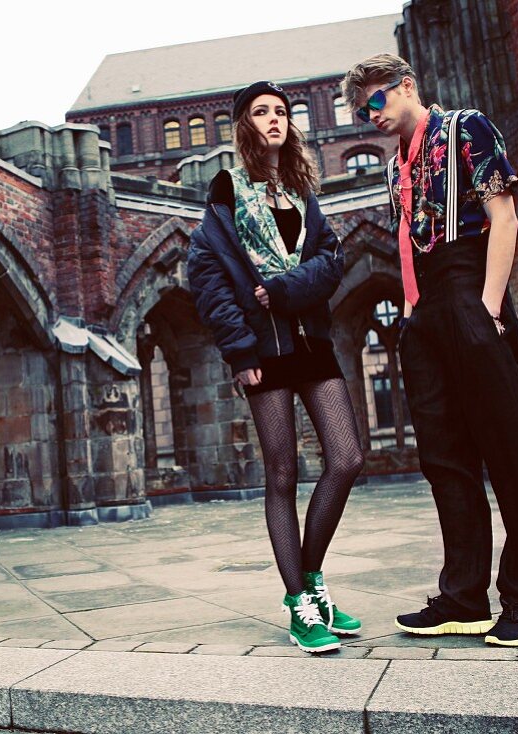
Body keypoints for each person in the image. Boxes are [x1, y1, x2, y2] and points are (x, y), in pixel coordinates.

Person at [339, 54, 518, 647]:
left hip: (470, 289)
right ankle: (464, 596)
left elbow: (503, 216)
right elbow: (409, 248)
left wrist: (488, 307)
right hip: (425, 309)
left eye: (377, 100)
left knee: (511, 447)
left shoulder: (467, 127)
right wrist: (411, 315)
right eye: (362, 110)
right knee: (444, 458)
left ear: (407, 86)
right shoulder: (393, 170)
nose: (370, 115)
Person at [186, 81, 366, 654]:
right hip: (262, 352)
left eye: (282, 112)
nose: (274, 120)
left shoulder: (301, 190)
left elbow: (331, 260)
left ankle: (309, 580)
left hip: (310, 340)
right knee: (283, 475)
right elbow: (208, 278)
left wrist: (283, 289)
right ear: (243, 125)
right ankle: (300, 603)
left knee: (347, 458)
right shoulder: (224, 194)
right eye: (261, 112)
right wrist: (240, 352)